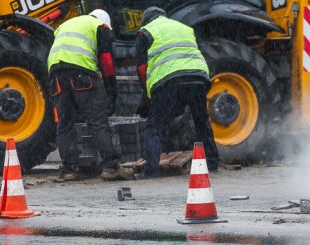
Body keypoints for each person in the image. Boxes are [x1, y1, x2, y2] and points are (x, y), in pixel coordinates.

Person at [48, 9, 134, 181]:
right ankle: (111, 167)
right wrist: (111, 91)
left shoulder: (65, 24)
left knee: (65, 123)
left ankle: (69, 169)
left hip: (56, 73)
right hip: (80, 73)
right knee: (96, 121)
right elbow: (106, 61)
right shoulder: (99, 27)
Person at [135, 7, 219, 178]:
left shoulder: (145, 32)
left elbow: (142, 69)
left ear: (146, 20)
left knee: (154, 127)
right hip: (197, 78)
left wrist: (148, 95)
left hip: (168, 80)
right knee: (202, 122)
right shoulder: (185, 28)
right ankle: (212, 163)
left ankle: (151, 171)